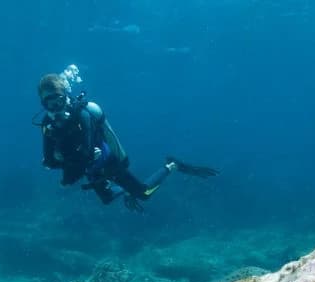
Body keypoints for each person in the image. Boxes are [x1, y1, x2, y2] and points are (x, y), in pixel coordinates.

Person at [37, 72, 218, 211]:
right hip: (90, 168)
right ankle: (127, 192)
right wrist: (61, 161)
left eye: (58, 100)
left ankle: (172, 165)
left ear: (65, 96)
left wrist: (65, 166)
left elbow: (86, 153)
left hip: (107, 163)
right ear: (43, 104)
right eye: (49, 103)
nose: (54, 107)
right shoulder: (48, 124)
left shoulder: (83, 115)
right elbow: (50, 161)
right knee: (108, 199)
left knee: (144, 193)